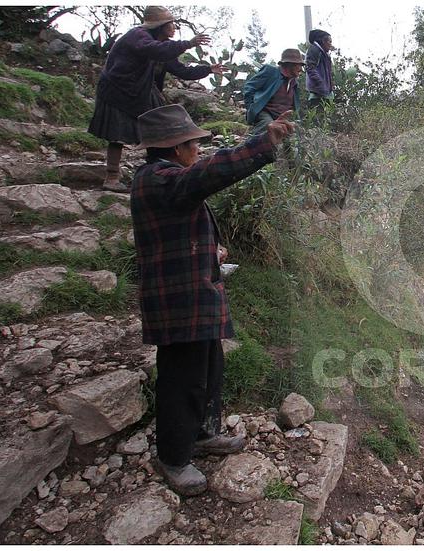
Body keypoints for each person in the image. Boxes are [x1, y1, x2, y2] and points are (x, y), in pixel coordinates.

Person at [130, 104, 296, 495]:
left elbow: (180, 228)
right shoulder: (159, 180)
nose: (198, 152)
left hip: (193, 294)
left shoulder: (163, 178)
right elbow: (207, 175)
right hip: (179, 301)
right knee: (182, 377)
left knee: (208, 367)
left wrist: (211, 250)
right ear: (175, 148)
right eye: (193, 144)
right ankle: (173, 456)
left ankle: (203, 434)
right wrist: (262, 143)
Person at [88, 6, 225, 191]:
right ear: (160, 26)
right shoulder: (138, 36)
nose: (174, 27)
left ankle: (159, 172)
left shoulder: (163, 47)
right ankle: (112, 177)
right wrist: (188, 43)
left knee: (160, 131)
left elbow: (182, 70)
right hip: (117, 90)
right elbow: (154, 50)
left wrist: (208, 69)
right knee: (117, 133)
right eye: (171, 24)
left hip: (141, 92)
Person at [242, 48, 305, 134]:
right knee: (268, 127)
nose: (301, 69)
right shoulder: (271, 71)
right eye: (299, 65)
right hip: (265, 113)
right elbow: (249, 88)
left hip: (283, 115)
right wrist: (251, 109)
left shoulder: (294, 82)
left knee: (297, 133)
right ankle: (249, 145)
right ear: (290, 64)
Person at [304, 29, 335, 110]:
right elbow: (310, 68)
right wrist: (320, 84)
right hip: (317, 95)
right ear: (323, 41)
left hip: (325, 93)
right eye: (329, 41)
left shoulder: (325, 54)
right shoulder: (314, 50)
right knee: (319, 118)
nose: (331, 44)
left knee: (327, 119)